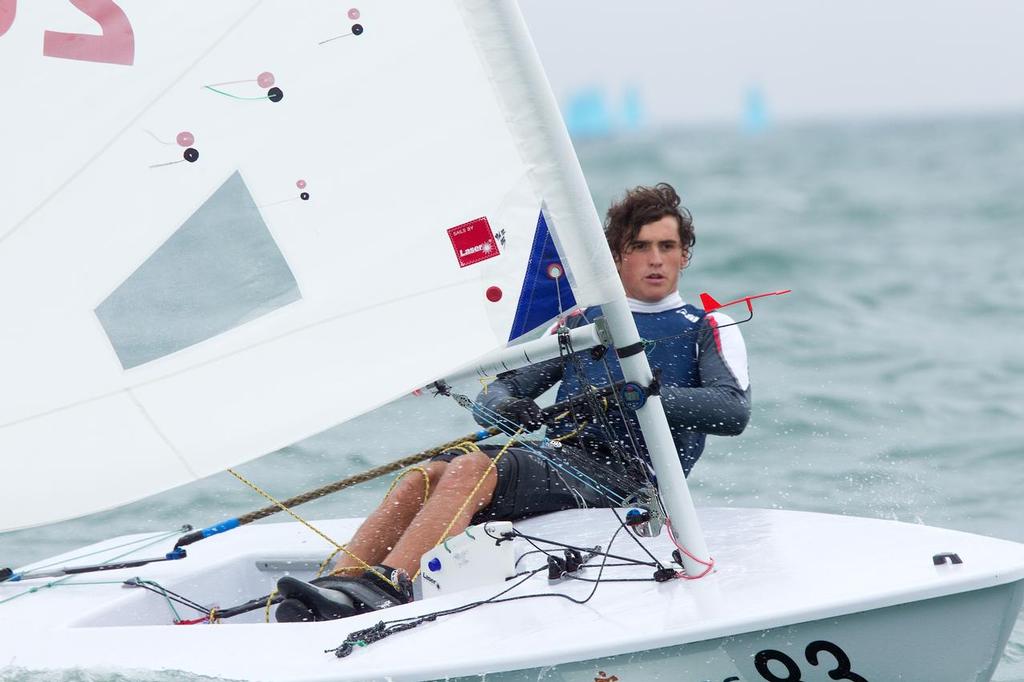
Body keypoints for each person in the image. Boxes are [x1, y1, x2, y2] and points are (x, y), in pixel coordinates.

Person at [274, 183, 751, 622]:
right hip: (565, 462)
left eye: (667, 247)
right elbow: (494, 395)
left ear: (684, 255)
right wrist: (508, 408)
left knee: (469, 469)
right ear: (615, 256)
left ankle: (390, 586)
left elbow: (733, 411)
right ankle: (336, 585)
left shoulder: (707, 325)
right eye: (640, 247)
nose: (655, 259)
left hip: (633, 483)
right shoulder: (584, 321)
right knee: (426, 476)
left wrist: (641, 396)